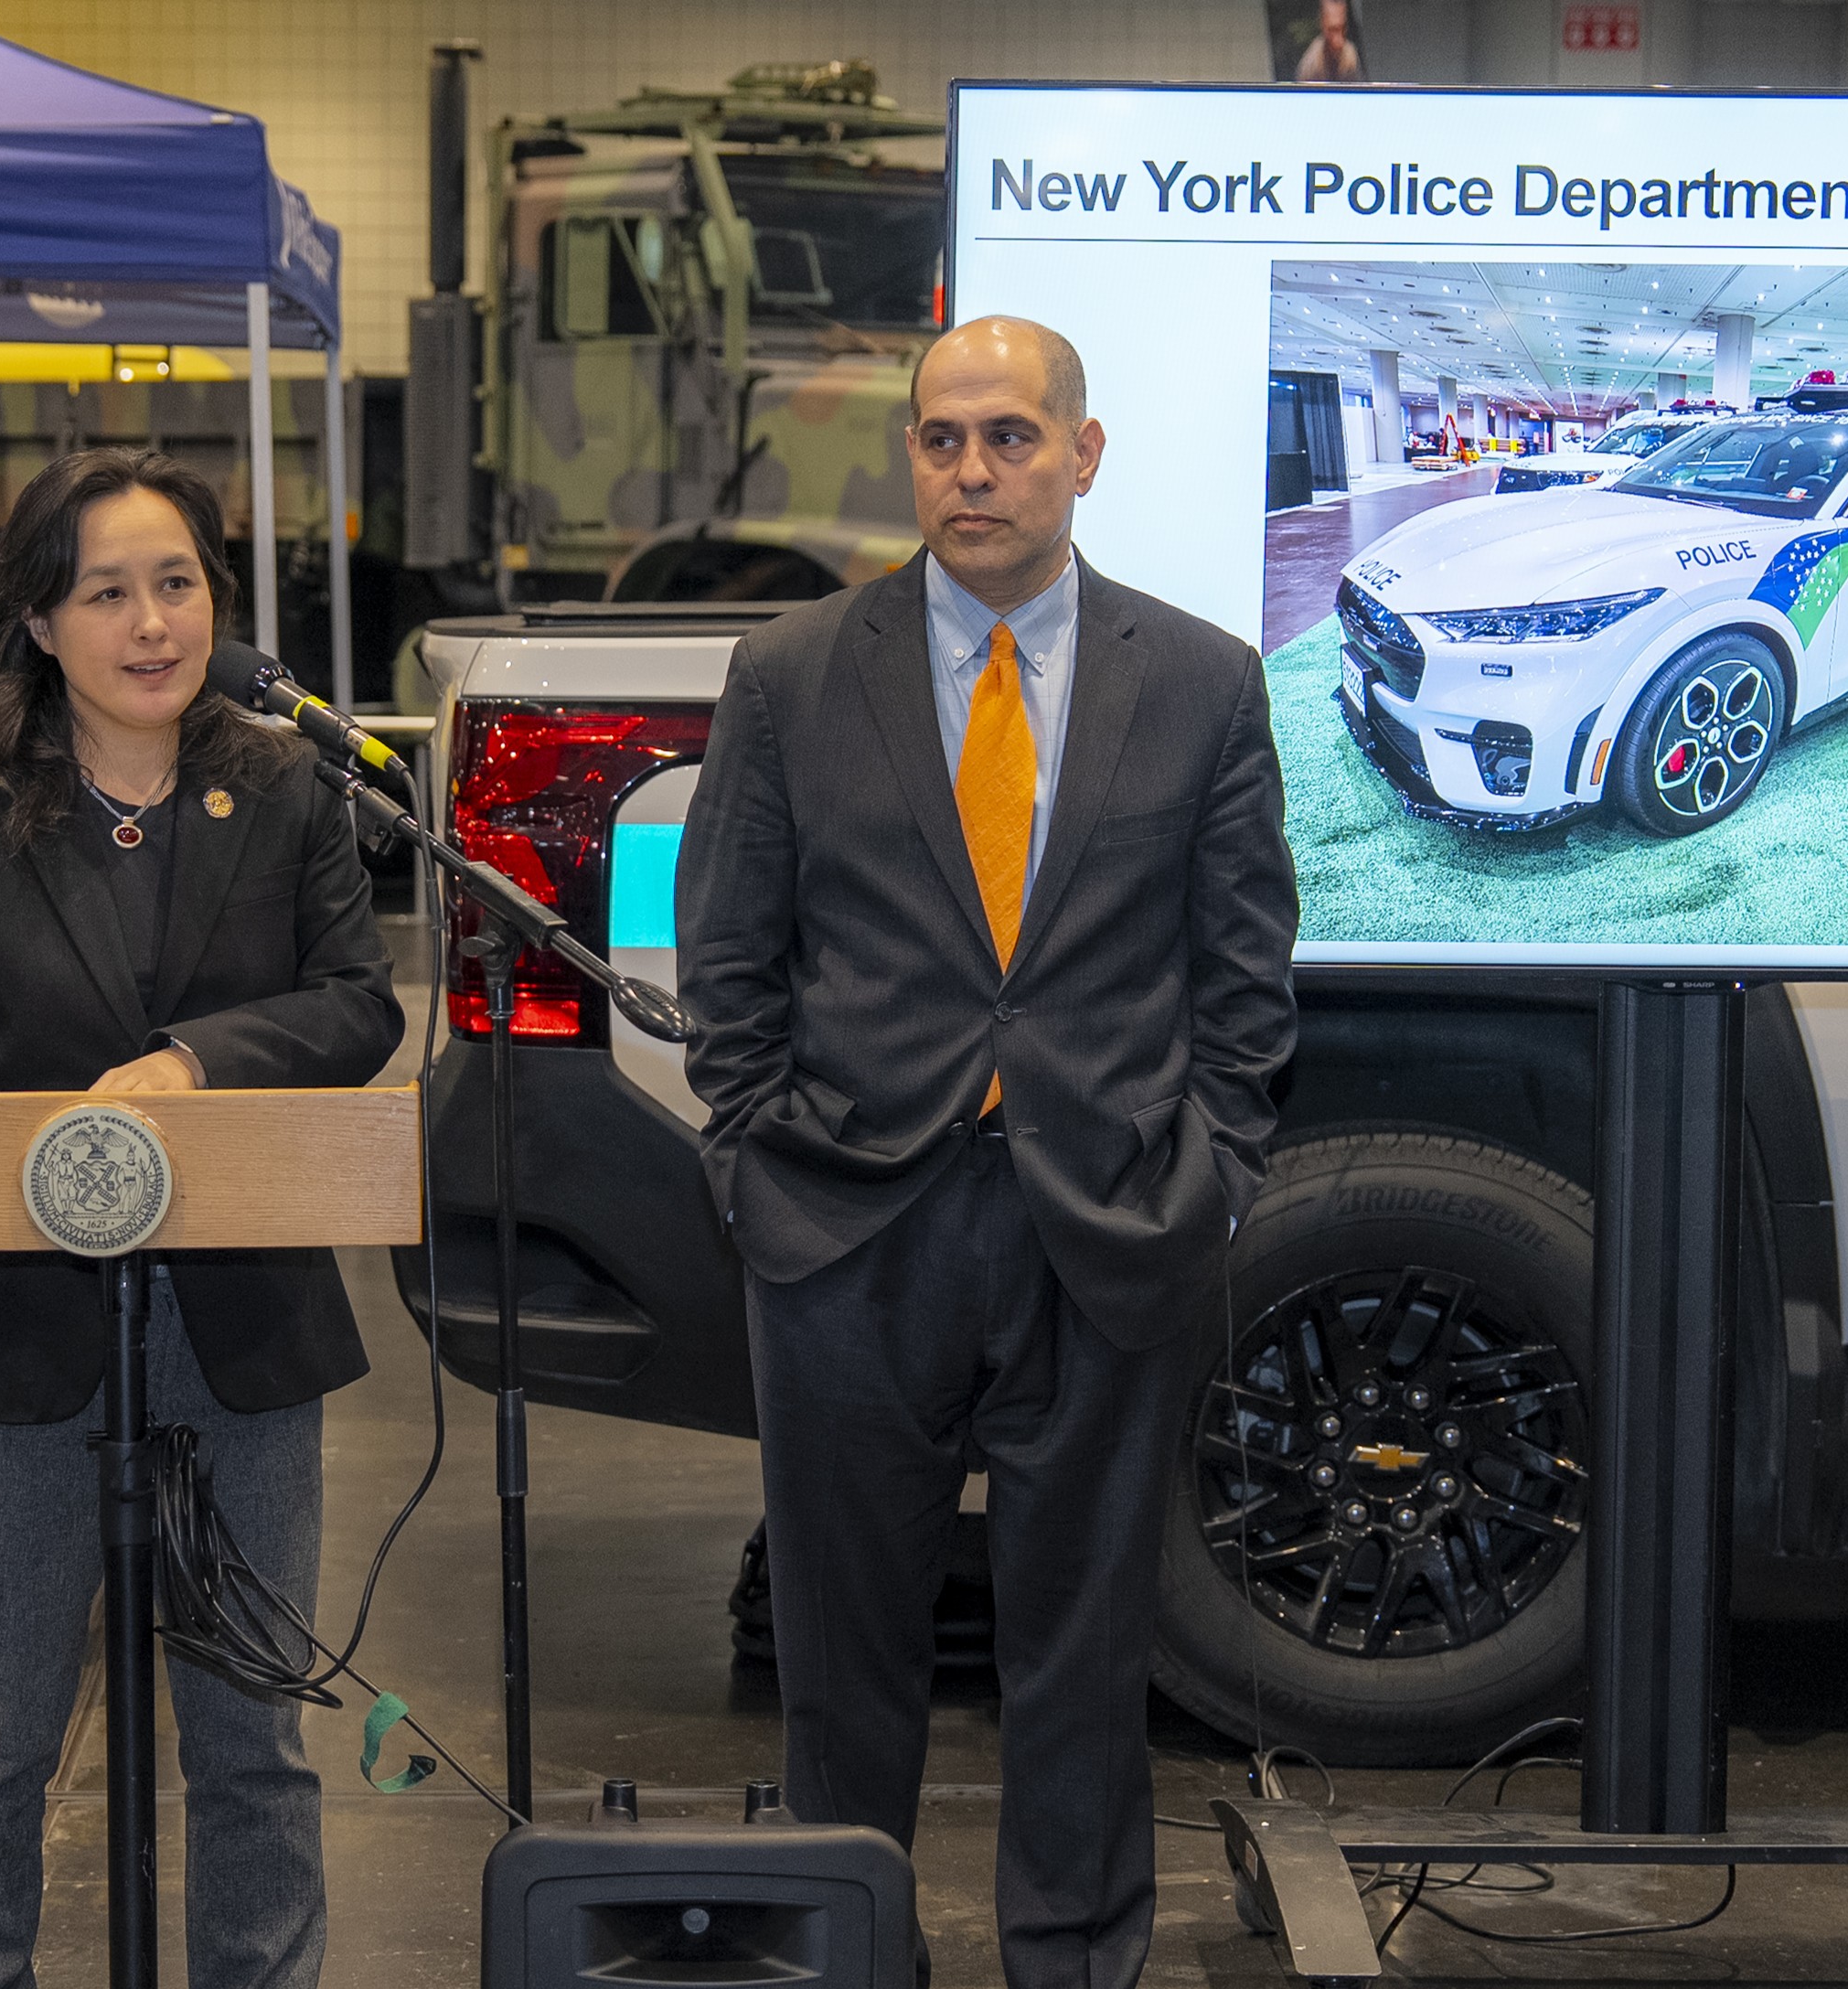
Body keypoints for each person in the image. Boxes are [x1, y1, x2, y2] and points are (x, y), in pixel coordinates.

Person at [673, 316, 1298, 1989]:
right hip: (844, 1233)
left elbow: (1246, 979)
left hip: (1103, 1232)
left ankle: (1074, 1965)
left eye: (1011, 437)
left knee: (1085, 1663)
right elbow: (726, 961)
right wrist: (752, 1159)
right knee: (843, 1666)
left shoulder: (1203, 679)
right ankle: (849, 1957)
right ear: (914, 459)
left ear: (1083, 456)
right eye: (944, 440)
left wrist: (1213, 1168)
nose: (974, 470)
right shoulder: (797, 674)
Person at [0, 447, 404, 1989]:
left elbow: (351, 1007)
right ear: (40, 624)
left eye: (179, 584)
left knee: (250, 1739)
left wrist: (200, 1060)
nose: (151, 624)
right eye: (108, 593)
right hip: (19, 1339)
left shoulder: (286, 784)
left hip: (242, 1325)